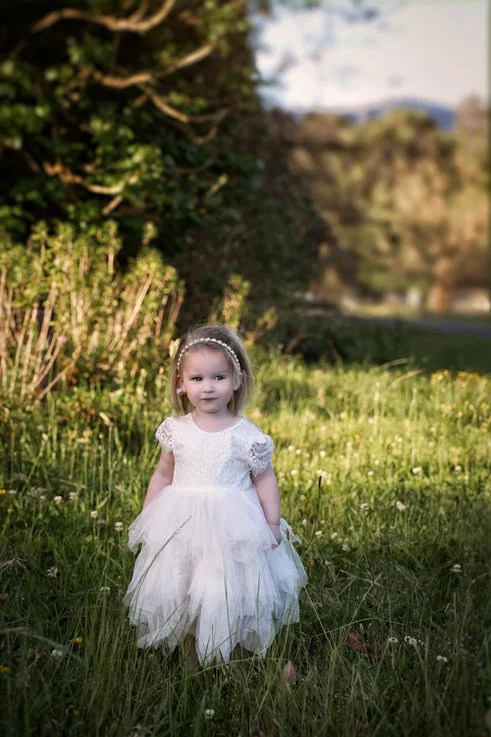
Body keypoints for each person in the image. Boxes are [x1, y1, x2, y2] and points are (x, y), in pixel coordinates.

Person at [124, 324, 307, 666]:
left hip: (232, 527)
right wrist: (149, 516)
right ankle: (190, 656)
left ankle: (228, 655)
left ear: (236, 381)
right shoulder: (175, 430)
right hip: (182, 521)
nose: (208, 387)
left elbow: (265, 479)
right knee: (182, 581)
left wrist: (271, 523)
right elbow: (163, 473)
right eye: (197, 379)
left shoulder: (245, 434)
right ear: (181, 383)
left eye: (218, 377)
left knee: (224, 586)